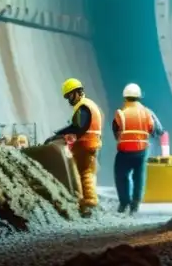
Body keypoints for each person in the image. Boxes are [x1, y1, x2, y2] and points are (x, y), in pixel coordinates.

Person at [44, 78, 102, 216]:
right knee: (87, 173)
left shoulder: (83, 107)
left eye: (70, 95)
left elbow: (78, 127)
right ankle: (88, 202)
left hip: (85, 144)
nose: (69, 100)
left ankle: (88, 204)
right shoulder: (89, 104)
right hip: (91, 143)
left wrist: (58, 134)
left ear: (77, 92)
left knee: (83, 174)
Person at [112, 83, 164, 216]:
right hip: (141, 151)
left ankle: (124, 203)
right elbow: (157, 130)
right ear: (139, 97)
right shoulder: (147, 113)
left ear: (125, 97)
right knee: (139, 177)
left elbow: (115, 132)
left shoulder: (120, 113)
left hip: (124, 151)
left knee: (121, 175)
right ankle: (135, 205)